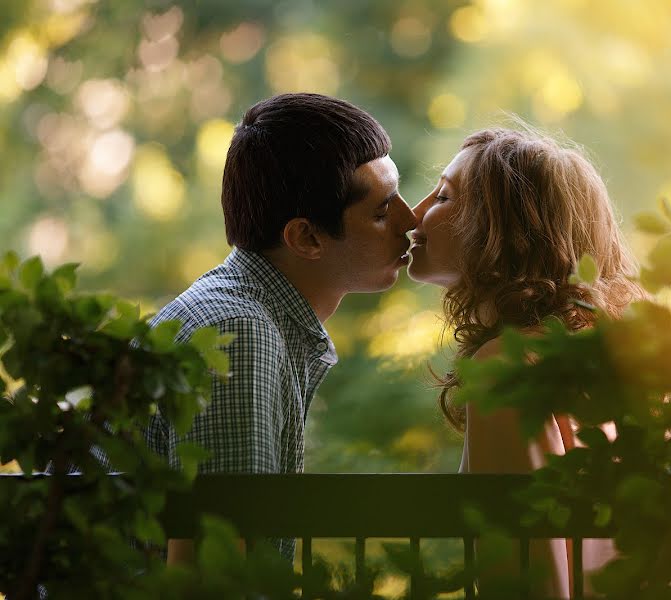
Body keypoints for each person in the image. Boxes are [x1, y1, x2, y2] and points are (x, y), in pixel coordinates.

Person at [145, 93, 416, 564]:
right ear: (306, 237)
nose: (410, 219)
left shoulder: (239, 317)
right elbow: (219, 572)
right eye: (381, 211)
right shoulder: (237, 335)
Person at [407, 127, 644, 598]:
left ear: (503, 227)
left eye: (444, 197)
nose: (412, 214)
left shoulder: (508, 366)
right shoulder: (598, 359)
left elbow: (527, 574)